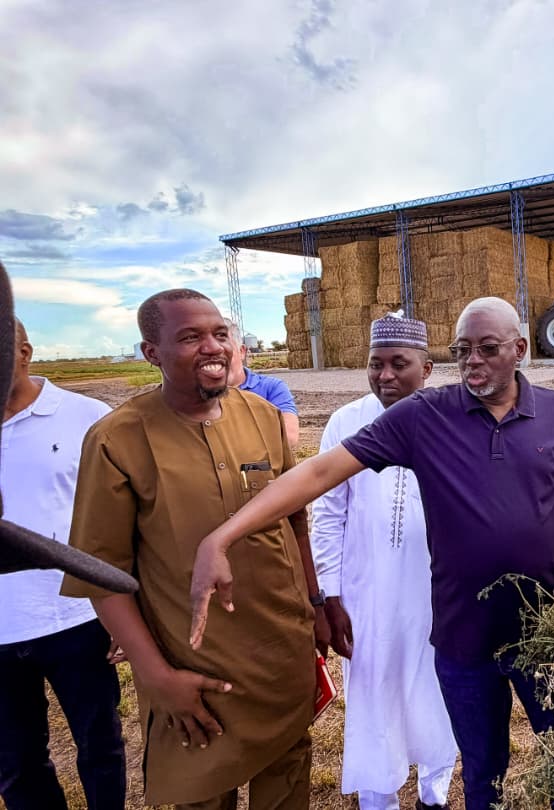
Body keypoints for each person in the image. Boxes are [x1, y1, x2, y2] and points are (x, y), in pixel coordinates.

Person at [190, 296, 554, 810]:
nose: (472, 361)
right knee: (483, 771)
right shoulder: (426, 415)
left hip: (542, 629)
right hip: (462, 639)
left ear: (519, 349)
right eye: (462, 350)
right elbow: (319, 474)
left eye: (488, 349)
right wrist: (222, 536)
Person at [62, 289, 329, 810]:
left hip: (281, 652)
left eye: (219, 334)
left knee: (288, 777)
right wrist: (157, 676)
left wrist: (315, 607)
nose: (213, 347)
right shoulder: (117, 439)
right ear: (151, 353)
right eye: (190, 337)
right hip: (193, 667)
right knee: (203, 790)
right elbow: (101, 574)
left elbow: (294, 521)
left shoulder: (263, 415)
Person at [310, 314, 457, 810]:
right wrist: (329, 595)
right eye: (376, 364)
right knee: (373, 694)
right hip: (366, 593)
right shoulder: (345, 422)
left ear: (427, 368)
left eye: (399, 363)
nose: (385, 375)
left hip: (436, 592)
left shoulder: (453, 419)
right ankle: (379, 799)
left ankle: (435, 793)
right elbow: (327, 514)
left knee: (437, 689)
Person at [0, 318, 125, 810]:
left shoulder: (86, 417)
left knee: (101, 747)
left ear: (24, 352)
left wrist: (126, 611)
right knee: (15, 763)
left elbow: (125, 519)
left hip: (77, 616)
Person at [225, 319, 300, 448]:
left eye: (225, 349)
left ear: (242, 351)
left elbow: (289, 437)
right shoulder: (195, 393)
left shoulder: (271, 388)